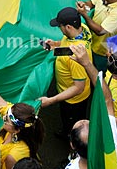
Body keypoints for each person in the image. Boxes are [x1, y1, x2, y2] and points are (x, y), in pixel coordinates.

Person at [64, 44, 117, 169]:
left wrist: (86, 64)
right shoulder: (110, 150)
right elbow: (107, 100)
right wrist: (87, 63)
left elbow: (107, 100)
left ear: (72, 145)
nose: (85, 120)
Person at [39, 7, 92, 135]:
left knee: (73, 127)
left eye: (60, 26)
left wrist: (52, 100)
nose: (59, 29)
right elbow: (68, 45)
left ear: (68, 27)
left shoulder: (76, 57)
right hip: (69, 95)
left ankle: (70, 141)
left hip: (74, 101)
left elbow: (78, 87)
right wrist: (56, 45)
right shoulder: (83, 29)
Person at [76, 0, 117, 72]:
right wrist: (84, 5)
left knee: (99, 74)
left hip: (103, 50)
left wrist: (85, 15)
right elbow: (91, 3)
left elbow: (100, 31)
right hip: (92, 42)